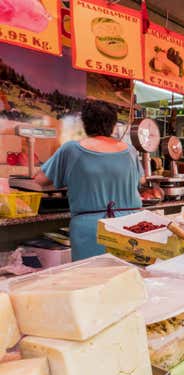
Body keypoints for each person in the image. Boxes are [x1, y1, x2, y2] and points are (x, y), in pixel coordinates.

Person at [34, 100, 143, 261]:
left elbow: (40, 180)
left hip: (91, 230)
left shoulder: (71, 149)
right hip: (130, 225)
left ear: (85, 124)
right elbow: (141, 179)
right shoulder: (130, 151)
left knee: (91, 279)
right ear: (113, 125)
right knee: (128, 277)